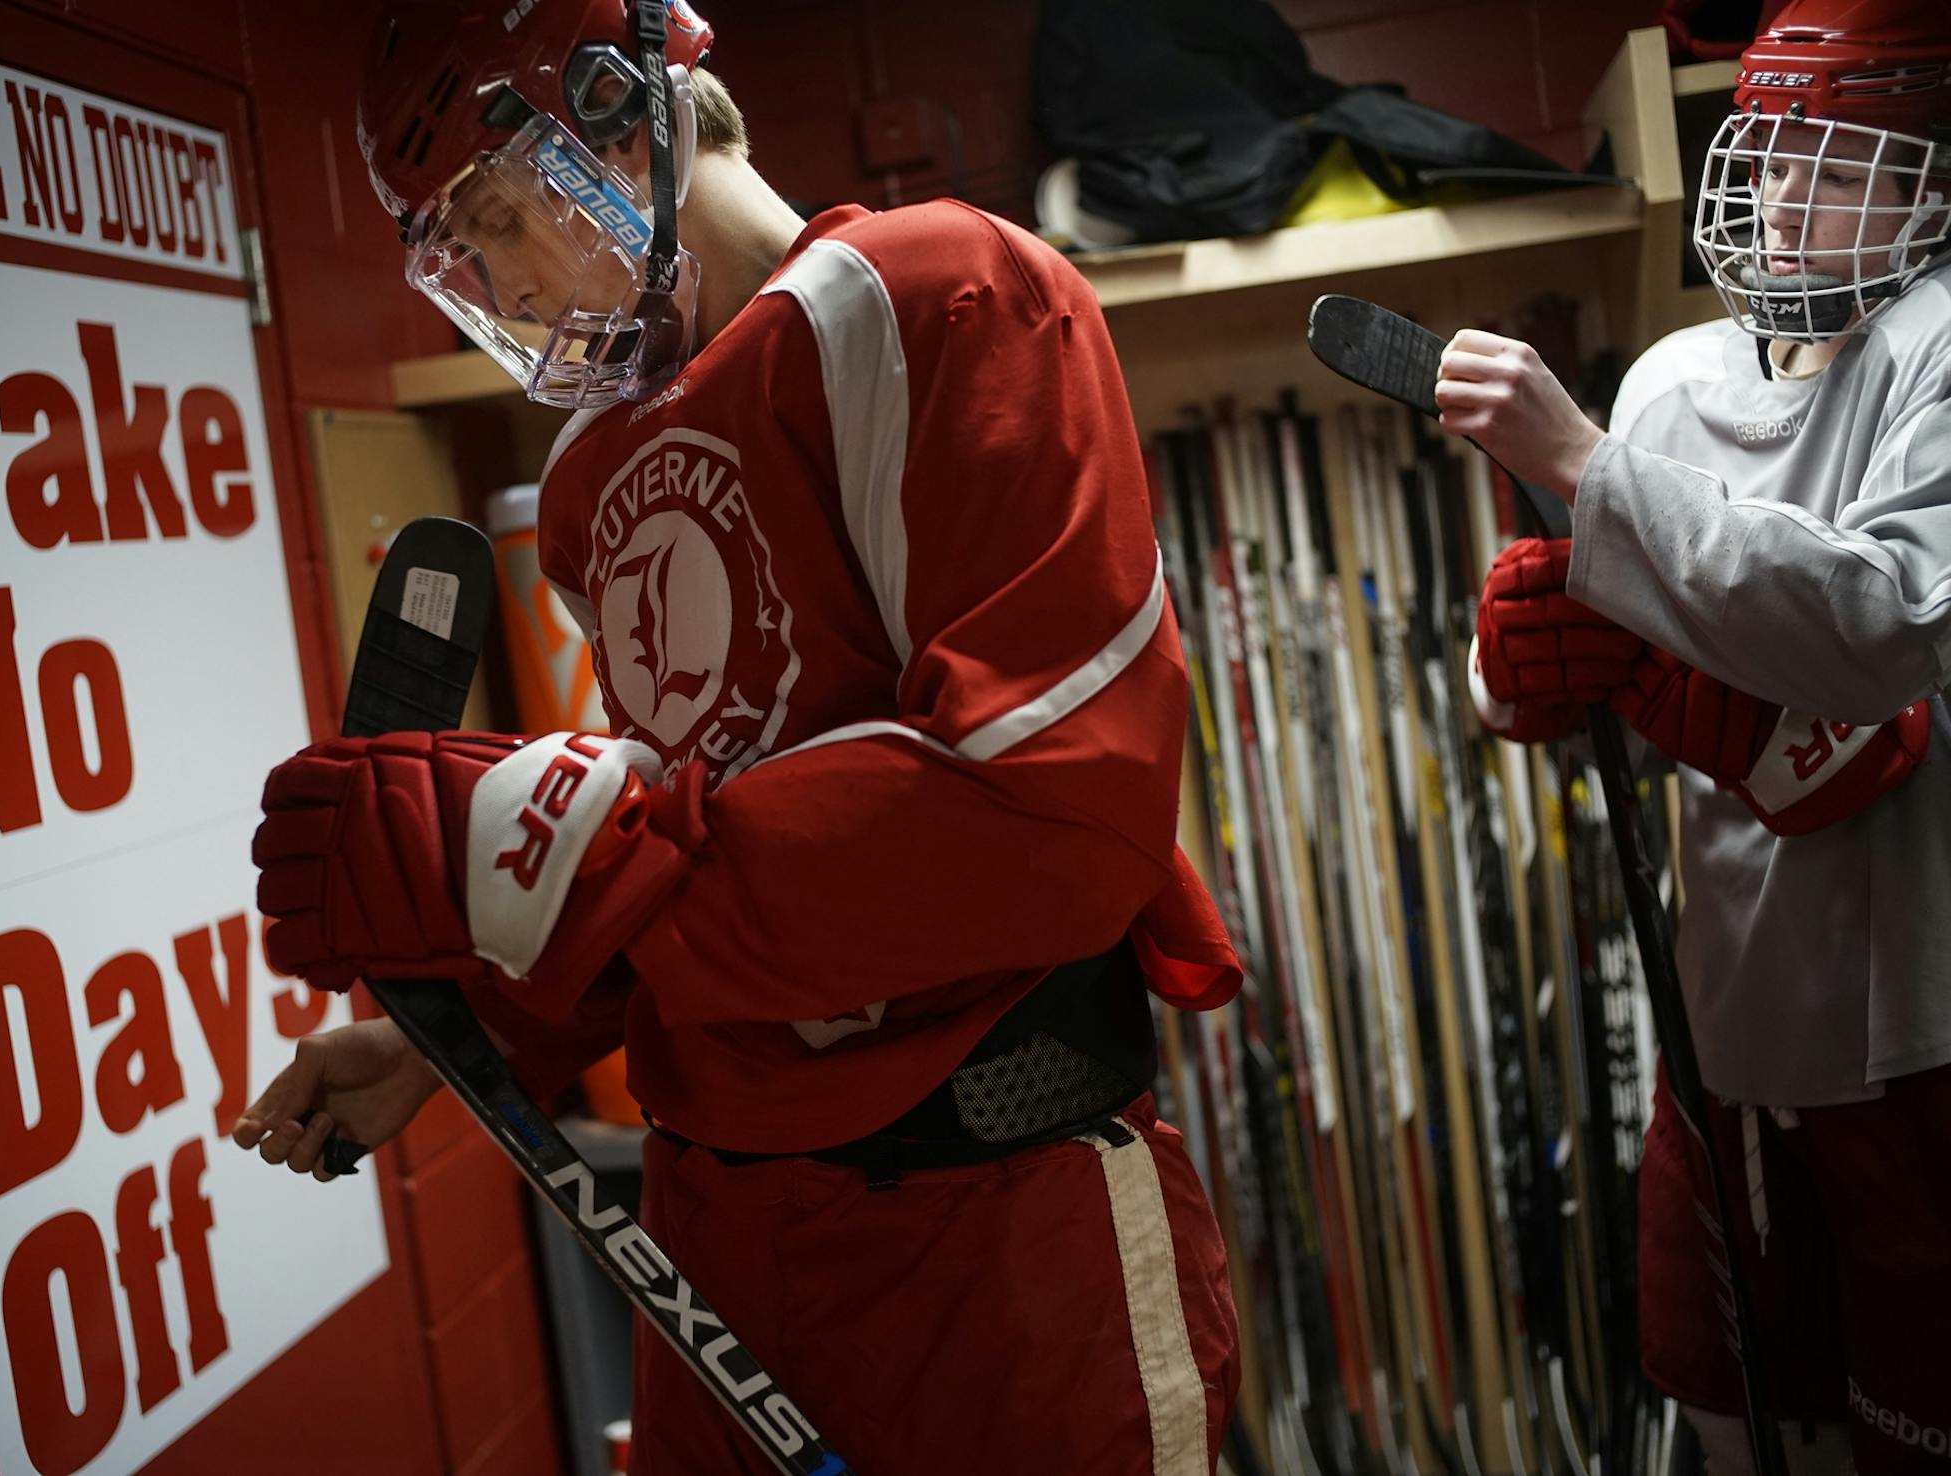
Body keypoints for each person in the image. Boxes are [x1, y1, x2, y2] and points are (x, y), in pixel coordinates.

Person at [232, 3, 1245, 1471]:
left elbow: (1051, 817)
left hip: (996, 1228)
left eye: (509, 216)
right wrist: (474, 1025)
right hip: (717, 1241)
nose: (509, 283)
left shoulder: (946, 293)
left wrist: (547, 853)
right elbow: (699, 834)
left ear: (625, 107)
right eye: (474, 253)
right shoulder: (589, 474)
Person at [1441, 1, 1951, 1471]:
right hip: (1725, 1028)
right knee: (1730, 1425)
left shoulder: (1932, 349)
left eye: (1838, 162)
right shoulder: (1673, 378)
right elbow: (1604, 656)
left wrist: (1584, 467)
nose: (1789, 194)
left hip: (1913, 1025)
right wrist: (1515, 679)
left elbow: (1879, 627)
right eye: (1774, 150)